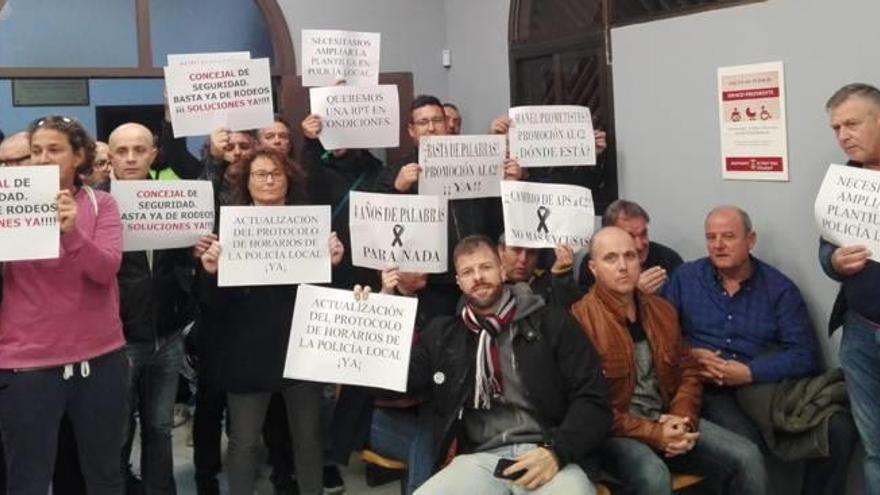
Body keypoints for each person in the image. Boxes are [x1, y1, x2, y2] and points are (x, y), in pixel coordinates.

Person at [384, 235, 611, 495]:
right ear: (459, 282)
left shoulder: (552, 323)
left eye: (486, 267)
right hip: (480, 460)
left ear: (502, 271)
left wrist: (557, 452)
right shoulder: (444, 336)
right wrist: (379, 310)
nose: (478, 277)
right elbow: (394, 384)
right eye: (468, 272)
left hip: (548, 452)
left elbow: (593, 398)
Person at [663, 205, 858, 495]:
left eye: (728, 236)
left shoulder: (779, 289)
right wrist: (690, 354)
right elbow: (660, 337)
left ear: (750, 240)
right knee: (747, 444)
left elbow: (805, 355)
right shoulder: (685, 278)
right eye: (711, 237)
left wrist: (750, 372)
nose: (718, 245)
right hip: (706, 387)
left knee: (839, 429)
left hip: (764, 388)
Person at [570, 227, 766, 494]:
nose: (623, 266)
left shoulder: (661, 310)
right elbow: (590, 406)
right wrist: (655, 435)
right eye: (611, 258)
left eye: (630, 256)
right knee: (652, 475)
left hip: (666, 419)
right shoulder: (579, 321)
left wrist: (681, 418)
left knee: (748, 456)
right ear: (593, 268)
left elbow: (688, 370)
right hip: (615, 433)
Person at [199, 148, 344, 495]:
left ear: (288, 179)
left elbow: (323, 295)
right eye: (259, 174)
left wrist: (333, 265)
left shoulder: (310, 227)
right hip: (246, 352)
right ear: (245, 182)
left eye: (275, 173)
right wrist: (209, 273)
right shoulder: (227, 231)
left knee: (308, 441)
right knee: (244, 442)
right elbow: (211, 305)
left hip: (300, 349)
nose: (268, 180)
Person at [0, 115, 128, 494]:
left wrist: (72, 233)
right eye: (35, 151)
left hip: (100, 361)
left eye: (54, 150)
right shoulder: (5, 206)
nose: (42, 159)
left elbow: (105, 270)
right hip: (27, 365)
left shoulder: (100, 204)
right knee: (28, 478)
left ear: (78, 156)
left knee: (104, 473)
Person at [109, 123, 195, 493]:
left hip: (169, 333)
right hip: (117, 338)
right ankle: (120, 486)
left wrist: (198, 248)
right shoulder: (95, 203)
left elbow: (182, 261)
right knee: (118, 427)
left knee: (160, 426)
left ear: (153, 154)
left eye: (139, 150)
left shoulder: (174, 200)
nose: (131, 158)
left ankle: (160, 489)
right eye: (122, 151)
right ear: (110, 156)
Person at [821, 82, 880, 493]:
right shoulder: (844, 179)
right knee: (875, 447)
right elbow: (826, 244)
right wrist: (834, 262)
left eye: (852, 124)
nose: (843, 135)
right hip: (860, 332)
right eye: (836, 127)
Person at [497, 234, 581, 308]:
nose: (523, 259)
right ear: (501, 251)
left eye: (531, 252)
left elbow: (573, 309)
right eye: (516, 250)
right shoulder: (489, 284)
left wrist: (561, 276)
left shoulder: (551, 284)